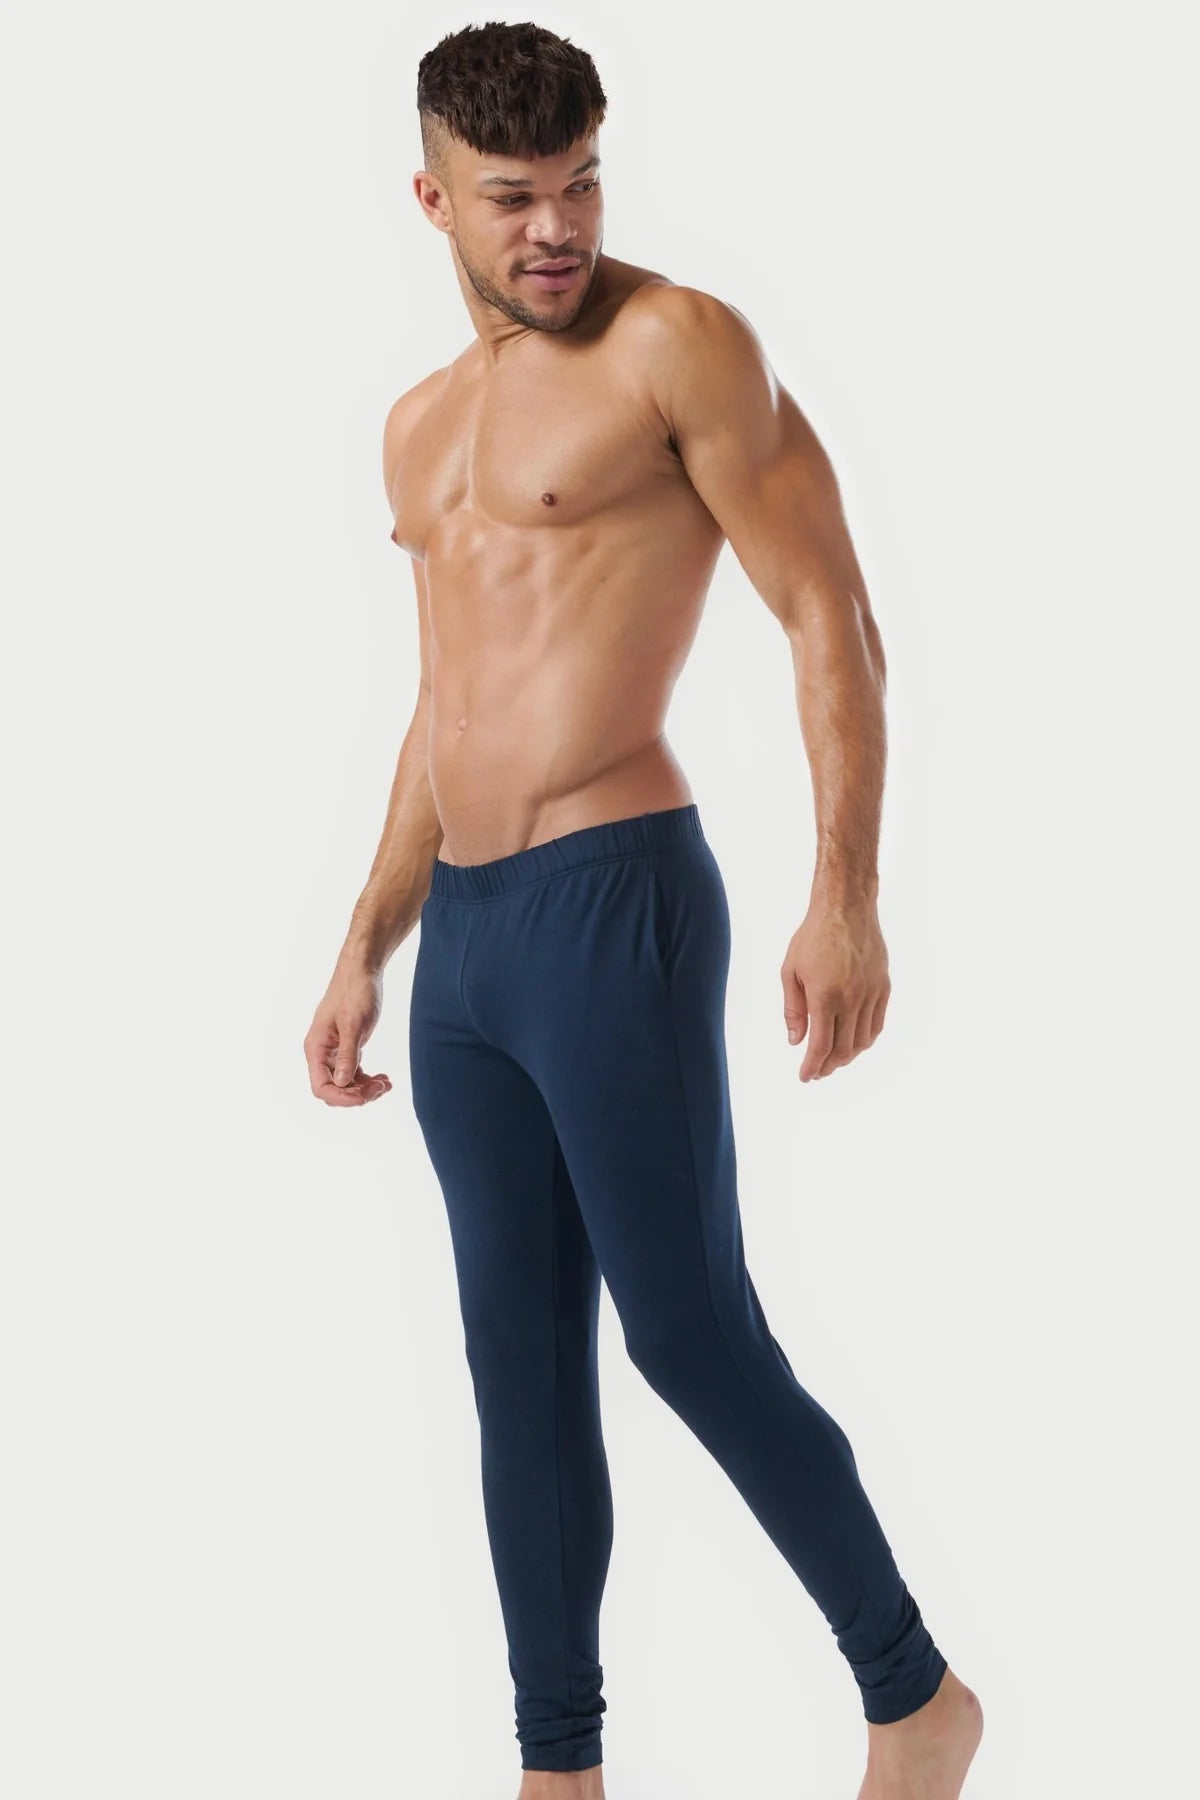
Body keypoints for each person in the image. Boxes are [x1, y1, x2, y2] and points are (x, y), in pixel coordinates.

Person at [303, 20, 983, 1800]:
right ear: (432, 199)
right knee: (518, 1365)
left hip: (617, 902)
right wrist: (366, 942)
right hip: (467, 946)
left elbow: (829, 613)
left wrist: (848, 894)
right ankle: (561, 1771)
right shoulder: (418, 428)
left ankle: (914, 1699)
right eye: (513, 197)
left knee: (685, 1331)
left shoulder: (679, 345)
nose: (558, 227)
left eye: (583, 181)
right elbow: (446, 704)